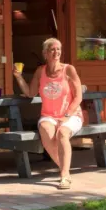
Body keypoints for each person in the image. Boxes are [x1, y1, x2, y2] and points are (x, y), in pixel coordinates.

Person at [12, 37, 83, 189]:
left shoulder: (68, 69)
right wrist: (18, 77)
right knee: (46, 131)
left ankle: (64, 175)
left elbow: (78, 96)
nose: (56, 52)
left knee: (62, 133)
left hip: (71, 115)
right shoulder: (40, 71)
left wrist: (67, 115)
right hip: (48, 115)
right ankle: (65, 169)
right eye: (52, 49)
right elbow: (31, 93)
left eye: (58, 49)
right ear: (45, 53)